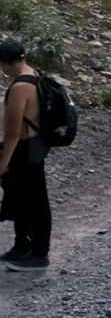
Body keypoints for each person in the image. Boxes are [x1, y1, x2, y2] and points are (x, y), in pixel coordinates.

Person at [0, 35, 51, 270]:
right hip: (36, 146)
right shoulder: (34, 75)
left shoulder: (20, 86)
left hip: (24, 149)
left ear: (6, 63)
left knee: (36, 201)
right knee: (22, 198)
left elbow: (12, 131)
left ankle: (39, 255)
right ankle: (22, 247)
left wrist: (3, 163)